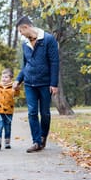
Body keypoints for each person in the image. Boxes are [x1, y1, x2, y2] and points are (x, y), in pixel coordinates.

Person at [12, 15, 59, 153]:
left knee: (45, 113)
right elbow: (25, 65)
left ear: (26, 27)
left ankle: (43, 136)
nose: (21, 34)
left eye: (21, 31)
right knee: (32, 112)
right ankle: (36, 141)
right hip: (30, 83)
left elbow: (54, 62)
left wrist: (54, 83)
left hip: (45, 83)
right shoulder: (25, 44)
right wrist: (18, 80)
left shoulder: (48, 39)